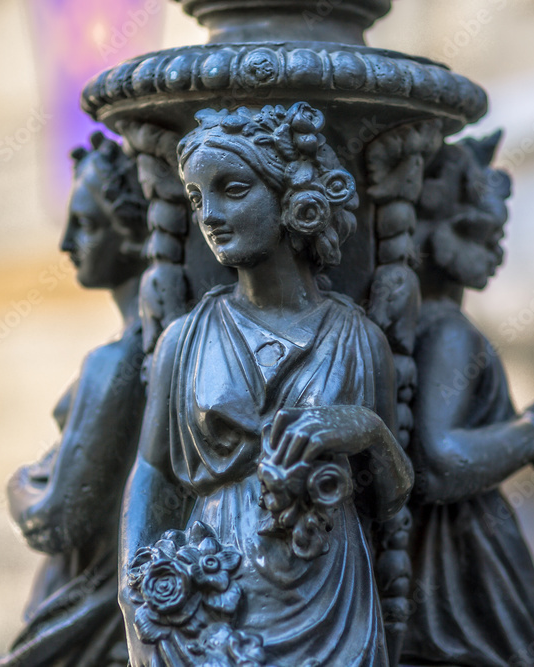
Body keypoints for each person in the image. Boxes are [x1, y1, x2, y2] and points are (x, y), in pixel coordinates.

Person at [118, 103, 414, 667]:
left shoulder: (358, 340)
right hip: (211, 590)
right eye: (198, 198)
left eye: (232, 189)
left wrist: (370, 431)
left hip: (330, 592)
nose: (210, 215)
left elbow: (394, 497)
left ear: (294, 199)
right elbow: (152, 474)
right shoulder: (184, 340)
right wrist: (135, 598)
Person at [400, 134, 534, 666]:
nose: (497, 252)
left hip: (460, 549)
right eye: (481, 234)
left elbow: (465, 437)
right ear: (433, 233)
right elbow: (442, 462)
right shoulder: (449, 334)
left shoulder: (437, 328)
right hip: (463, 560)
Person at [0, 131, 148, 667]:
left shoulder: (116, 363)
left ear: (130, 237)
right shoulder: (142, 347)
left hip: (88, 609)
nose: (64, 243)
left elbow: (58, 518)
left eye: (84, 225)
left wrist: (19, 482)